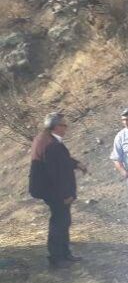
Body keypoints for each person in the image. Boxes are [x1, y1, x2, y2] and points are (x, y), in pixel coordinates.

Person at [28, 112, 87, 268]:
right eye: (63, 125)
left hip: (49, 190)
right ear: (55, 127)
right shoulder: (51, 144)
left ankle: (63, 253)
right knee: (60, 222)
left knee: (61, 221)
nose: (66, 128)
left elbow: (61, 161)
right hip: (55, 191)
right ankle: (58, 256)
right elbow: (56, 174)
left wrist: (76, 164)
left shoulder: (45, 139)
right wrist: (65, 195)